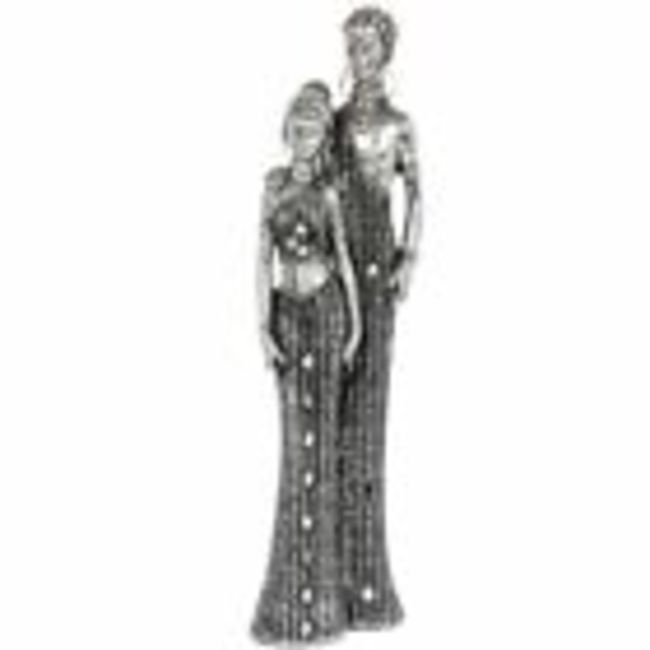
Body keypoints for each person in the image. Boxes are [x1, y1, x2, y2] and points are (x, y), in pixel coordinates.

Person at [251, 81, 362, 644]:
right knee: (297, 448)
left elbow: (342, 258)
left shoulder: (329, 193)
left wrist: (357, 326)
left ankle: (324, 603)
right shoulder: (273, 186)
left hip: (326, 311)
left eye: (313, 131)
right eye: (297, 129)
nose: (303, 138)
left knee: (323, 442)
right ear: (286, 131)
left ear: (322, 139)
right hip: (288, 318)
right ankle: (287, 600)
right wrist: (261, 327)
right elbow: (259, 258)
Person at [334, 7, 423, 630]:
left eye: (367, 47)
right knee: (337, 407)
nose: (358, 57)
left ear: (385, 53)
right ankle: (331, 571)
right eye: (352, 47)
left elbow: (416, 195)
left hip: (376, 268)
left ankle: (368, 579)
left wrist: (407, 259)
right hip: (338, 265)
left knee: (369, 410)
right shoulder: (337, 124)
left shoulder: (398, 125)